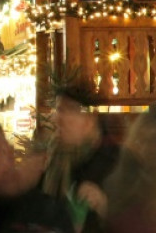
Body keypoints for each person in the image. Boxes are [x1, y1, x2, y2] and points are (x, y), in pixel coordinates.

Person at [41, 83, 120, 233]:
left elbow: (141, 221)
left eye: (64, 111)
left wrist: (104, 208)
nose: (56, 119)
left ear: (88, 120)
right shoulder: (54, 159)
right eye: (57, 110)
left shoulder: (116, 163)